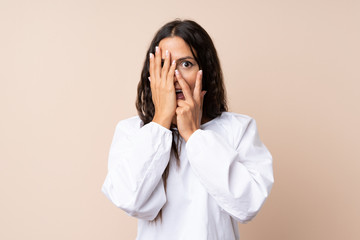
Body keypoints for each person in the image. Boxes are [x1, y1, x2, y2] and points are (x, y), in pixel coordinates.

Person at [101, 19, 274, 240]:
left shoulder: (239, 128)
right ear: (151, 75)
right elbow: (129, 198)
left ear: (205, 70)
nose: (175, 76)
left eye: (186, 64)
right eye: (165, 65)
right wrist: (161, 120)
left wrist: (193, 135)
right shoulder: (131, 131)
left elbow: (248, 204)